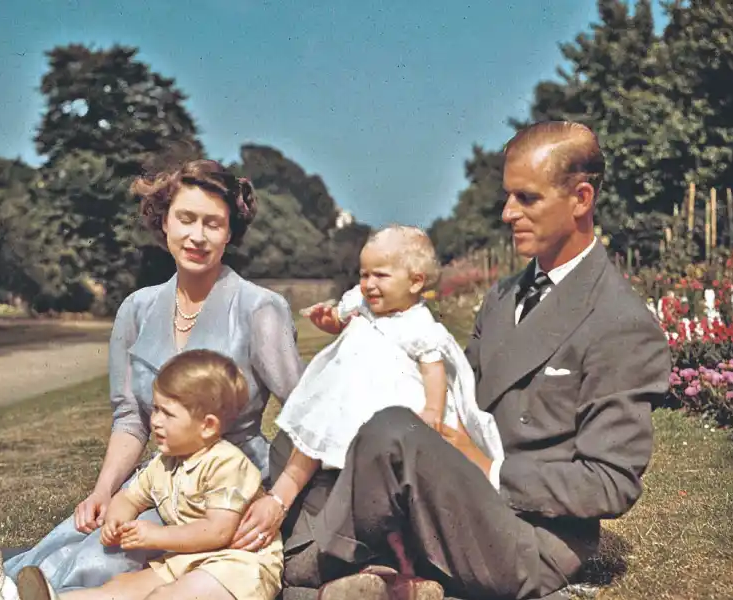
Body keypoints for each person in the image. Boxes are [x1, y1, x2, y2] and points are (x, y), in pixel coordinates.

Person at [269, 121, 672, 600]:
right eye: (508, 196)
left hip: (525, 537)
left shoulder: (621, 322)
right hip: (452, 495)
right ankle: (364, 567)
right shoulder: (503, 297)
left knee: (389, 430)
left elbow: (610, 483)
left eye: (527, 198)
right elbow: (455, 393)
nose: (507, 213)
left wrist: (486, 468)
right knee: (303, 431)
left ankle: (310, 564)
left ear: (581, 199)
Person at [0, 159, 305, 599]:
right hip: (159, 481)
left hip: (223, 487)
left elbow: (307, 418)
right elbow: (130, 419)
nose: (197, 236)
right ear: (163, 220)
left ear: (230, 233)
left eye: (213, 224)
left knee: (96, 561)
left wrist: (278, 499)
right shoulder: (137, 309)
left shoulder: (260, 308)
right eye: (186, 219)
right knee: (66, 543)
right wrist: (104, 491)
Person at [256, 225, 503, 580]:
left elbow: (434, 370)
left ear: (415, 282)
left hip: (394, 397)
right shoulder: (363, 302)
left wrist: (433, 410)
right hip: (353, 391)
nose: (368, 283)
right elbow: (342, 320)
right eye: (364, 274)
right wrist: (330, 322)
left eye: (380, 275)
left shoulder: (420, 324)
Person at [5, 350, 284, 600]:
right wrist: (117, 519)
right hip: (187, 561)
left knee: (166, 596)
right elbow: (130, 496)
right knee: (120, 588)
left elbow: (217, 531)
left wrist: (156, 537)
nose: (155, 421)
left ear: (207, 426)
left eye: (167, 413)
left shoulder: (226, 465)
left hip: (239, 567)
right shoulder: (163, 464)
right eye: (155, 409)